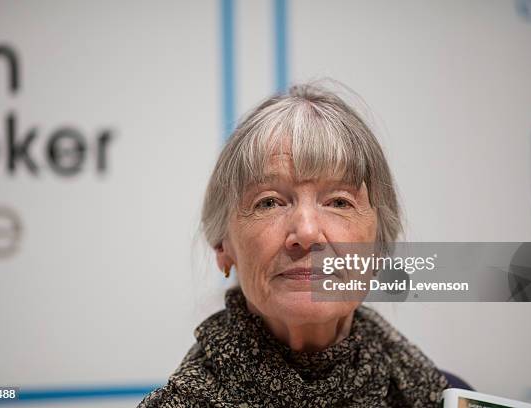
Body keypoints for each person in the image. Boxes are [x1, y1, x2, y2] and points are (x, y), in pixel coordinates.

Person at [138, 82, 450, 407]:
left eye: (339, 202)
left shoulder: (436, 395)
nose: (307, 232)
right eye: (269, 202)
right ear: (222, 246)